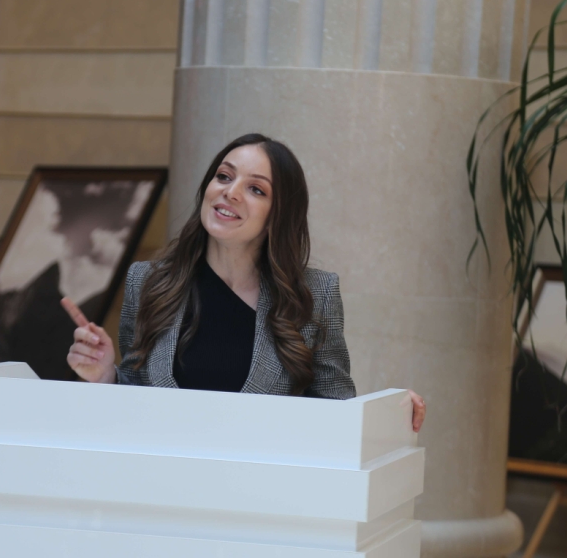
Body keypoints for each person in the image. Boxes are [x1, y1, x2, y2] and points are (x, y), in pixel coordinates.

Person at [62, 133, 426, 431]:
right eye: (224, 176)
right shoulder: (147, 281)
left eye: (256, 189)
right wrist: (104, 375)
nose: (231, 192)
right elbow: (132, 403)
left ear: (278, 216)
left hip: (261, 491)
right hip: (160, 483)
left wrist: (388, 415)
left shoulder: (315, 295)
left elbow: (335, 411)